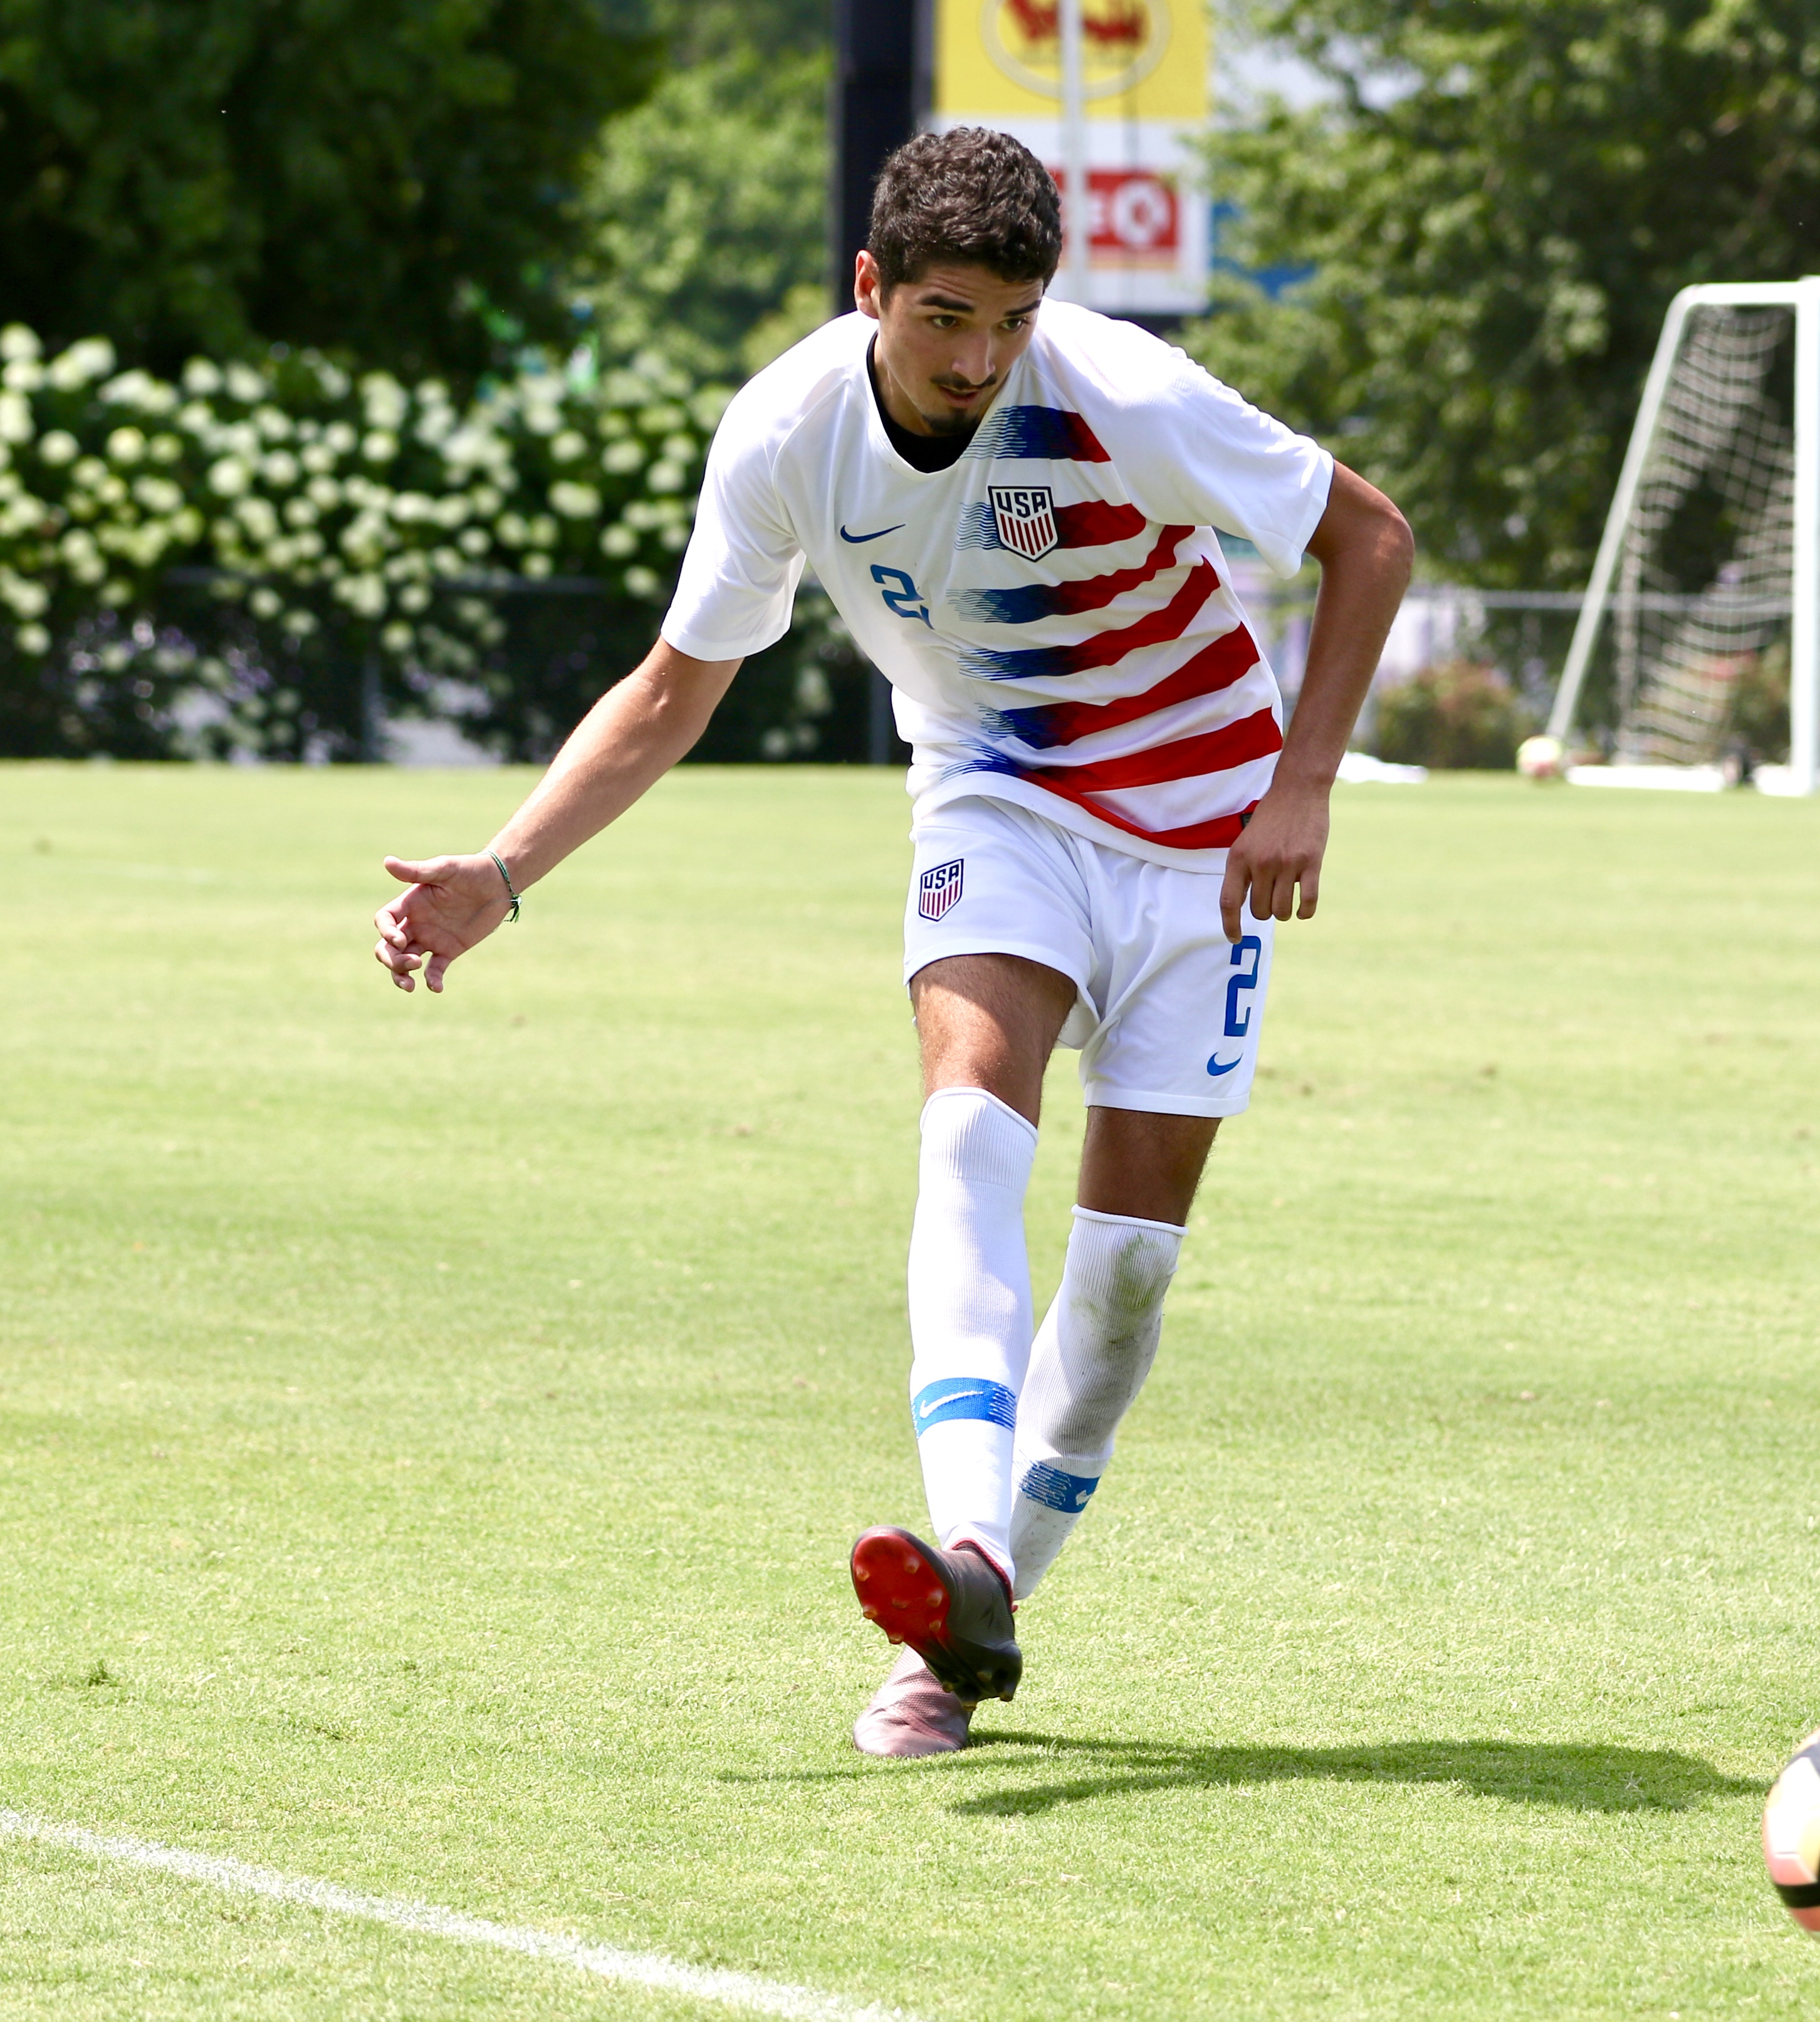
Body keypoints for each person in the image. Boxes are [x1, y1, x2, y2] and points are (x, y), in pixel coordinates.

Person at [368, 128, 1414, 1757]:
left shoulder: (1119, 388)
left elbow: (1373, 538)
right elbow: (668, 696)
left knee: (1128, 1280)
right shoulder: (788, 434)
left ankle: (986, 1602)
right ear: (870, 288)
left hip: (1206, 845)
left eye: (1008, 319)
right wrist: (502, 875)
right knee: (964, 1139)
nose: (978, 359)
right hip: (996, 803)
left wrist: (1304, 784)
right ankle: (957, 1566)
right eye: (942, 318)